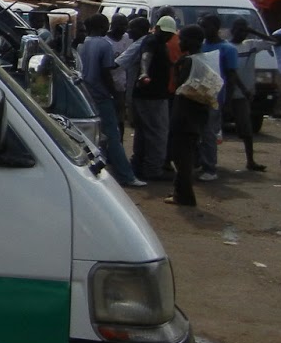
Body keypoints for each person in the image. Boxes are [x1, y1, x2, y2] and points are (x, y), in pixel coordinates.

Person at [76, 14, 144, 188]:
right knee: (113, 136)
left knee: (94, 136)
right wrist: (114, 94)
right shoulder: (104, 45)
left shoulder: (83, 43)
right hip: (102, 94)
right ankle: (126, 175)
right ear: (102, 26)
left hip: (87, 94)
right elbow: (106, 72)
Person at [166, 24, 211, 207]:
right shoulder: (202, 60)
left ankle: (184, 195)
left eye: (183, 39)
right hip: (195, 115)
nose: (180, 42)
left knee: (182, 156)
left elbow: (181, 88)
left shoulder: (190, 62)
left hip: (185, 116)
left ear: (193, 41)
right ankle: (180, 191)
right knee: (184, 154)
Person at [130, 15, 176, 181]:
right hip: (152, 96)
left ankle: (139, 166)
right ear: (157, 29)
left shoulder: (161, 44)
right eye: (166, 33)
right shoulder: (152, 41)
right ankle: (153, 170)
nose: (169, 36)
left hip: (149, 95)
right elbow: (145, 57)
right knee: (158, 133)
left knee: (144, 132)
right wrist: (144, 73)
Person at [225, 19, 268, 171]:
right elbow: (232, 73)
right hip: (227, 94)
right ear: (232, 30)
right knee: (213, 129)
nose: (242, 34)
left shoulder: (251, 45)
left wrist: (254, 31)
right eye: (239, 30)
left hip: (242, 97)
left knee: (246, 130)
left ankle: (250, 161)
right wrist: (244, 89)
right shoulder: (227, 48)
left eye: (244, 31)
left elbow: (275, 41)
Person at [194, 14, 233, 182]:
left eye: (206, 26)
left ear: (216, 27)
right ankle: (200, 162)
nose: (203, 30)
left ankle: (210, 167)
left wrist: (228, 102)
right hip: (197, 95)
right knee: (197, 132)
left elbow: (231, 77)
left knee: (209, 133)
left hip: (214, 98)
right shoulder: (200, 46)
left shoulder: (227, 49)